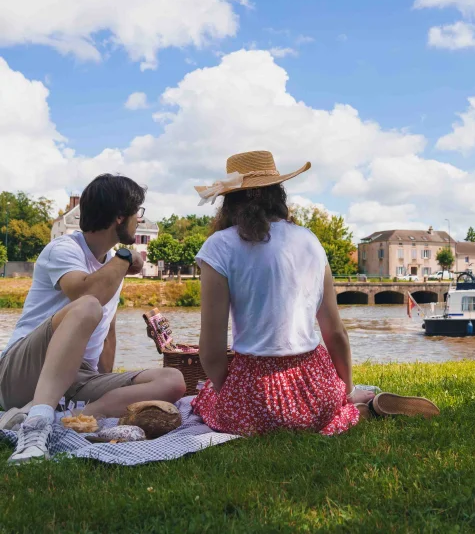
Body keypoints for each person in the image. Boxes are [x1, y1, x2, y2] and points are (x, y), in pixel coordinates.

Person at [191, 150, 439, 436]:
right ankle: (353, 408)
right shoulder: (310, 241)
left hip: (257, 397)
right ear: (277, 194)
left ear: (233, 201)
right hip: (315, 387)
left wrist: (230, 395)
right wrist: (343, 389)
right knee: (329, 406)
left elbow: (210, 350)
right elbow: (335, 333)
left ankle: (357, 409)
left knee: (204, 398)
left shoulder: (219, 246)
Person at [0, 175, 185, 464]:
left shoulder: (113, 265)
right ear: (120, 218)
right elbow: (88, 295)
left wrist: (105, 378)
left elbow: (106, 331)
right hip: (23, 368)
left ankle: (75, 418)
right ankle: (35, 428)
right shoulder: (64, 249)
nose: (139, 220)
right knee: (87, 306)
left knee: (172, 380)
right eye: (137, 213)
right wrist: (124, 257)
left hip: (77, 376)